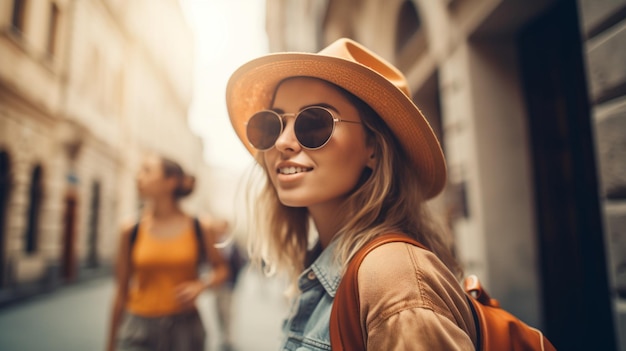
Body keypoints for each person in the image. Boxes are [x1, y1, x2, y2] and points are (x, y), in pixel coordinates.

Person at [225, 37, 478, 349]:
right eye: (272, 124)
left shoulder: (392, 279)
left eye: (314, 122)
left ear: (372, 147)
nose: (282, 142)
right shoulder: (329, 269)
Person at [106, 153, 229, 351]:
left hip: (185, 329)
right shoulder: (130, 229)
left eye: (146, 170)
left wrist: (201, 285)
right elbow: (120, 291)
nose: (138, 176)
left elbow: (222, 269)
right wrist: (110, 344)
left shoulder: (200, 226)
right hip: (139, 327)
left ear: (170, 182)